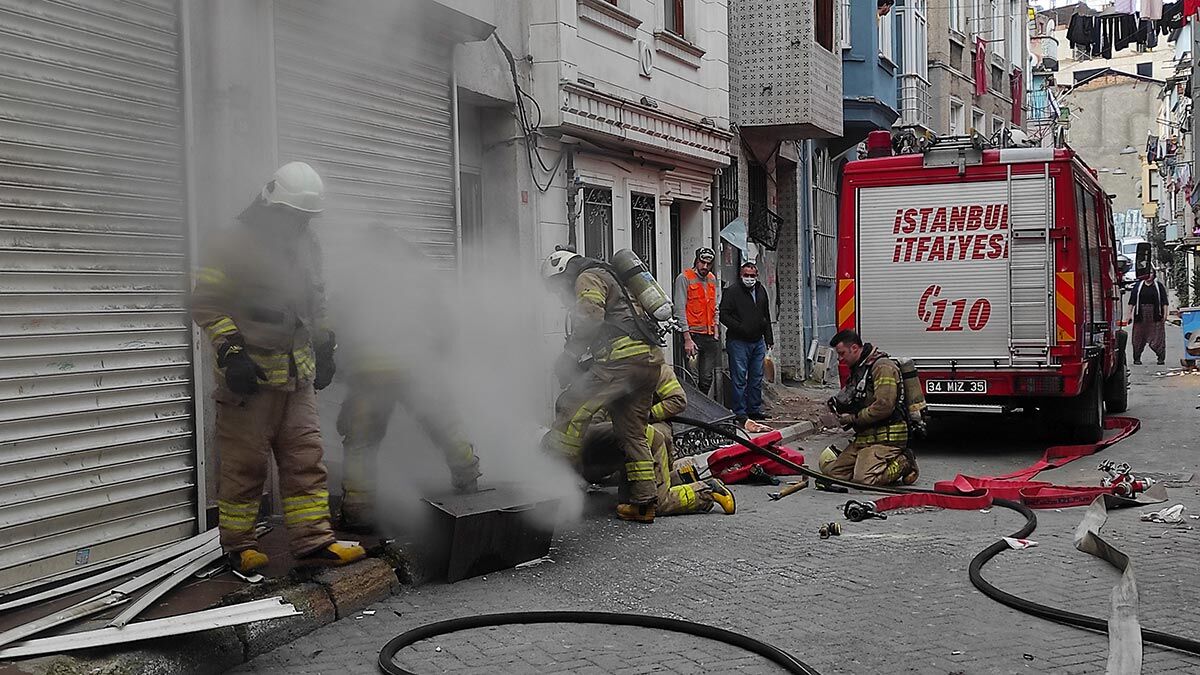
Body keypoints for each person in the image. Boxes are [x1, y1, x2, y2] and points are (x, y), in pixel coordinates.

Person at [191, 161, 365, 574]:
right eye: (294, 216)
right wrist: (231, 352)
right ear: (272, 206)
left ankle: (314, 540)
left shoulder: (307, 244)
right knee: (244, 466)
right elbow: (206, 303)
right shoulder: (229, 244)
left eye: (306, 218)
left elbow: (317, 300)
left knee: (306, 459)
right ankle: (239, 546)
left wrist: (326, 344)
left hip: (297, 376)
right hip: (249, 380)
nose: (300, 224)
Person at [331, 228, 481, 533]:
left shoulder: (353, 280)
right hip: (416, 366)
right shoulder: (419, 277)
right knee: (443, 424)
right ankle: (467, 477)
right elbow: (443, 324)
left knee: (361, 440)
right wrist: (436, 357)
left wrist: (341, 367)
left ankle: (358, 510)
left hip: (369, 372)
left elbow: (337, 325)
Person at [541, 248, 664, 523]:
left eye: (556, 287)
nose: (559, 295)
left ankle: (557, 486)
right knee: (632, 433)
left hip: (620, 363)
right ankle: (644, 504)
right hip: (649, 363)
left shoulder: (587, 277)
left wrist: (569, 355)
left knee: (571, 409)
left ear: (562, 272)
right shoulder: (613, 277)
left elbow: (591, 317)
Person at [577, 364, 736, 517]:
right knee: (625, 492)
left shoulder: (655, 367)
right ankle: (681, 478)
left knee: (649, 503)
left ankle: (707, 491)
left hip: (652, 431)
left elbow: (678, 400)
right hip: (626, 435)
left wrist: (645, 416)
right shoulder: (611, 369)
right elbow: (599, 410)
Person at [820, 330, 918, 487]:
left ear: (854, 348)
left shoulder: (882, 367)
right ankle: (867, 464)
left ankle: (904, 462)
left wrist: (851, 418)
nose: (840, 358)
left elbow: (884, 407)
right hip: (865, 437)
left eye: (842, 353)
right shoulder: (860, 369)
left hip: (886, 439)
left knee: (864, 480)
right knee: (834, 475)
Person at [719, 261, 773, 424]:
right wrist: (740, 327)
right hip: (738, 342)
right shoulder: (732, 292)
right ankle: (739, 411)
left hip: (758, 341)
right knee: (739, 378)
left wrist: (769, 338)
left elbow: (766, 315)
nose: (749, 278)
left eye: (752, 275)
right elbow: (723, 315)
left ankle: (754, 409)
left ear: (757, 276)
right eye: (746, 275)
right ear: (741, 275)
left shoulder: (761, 290)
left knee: (756, 377)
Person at [673, 247, 721, 396]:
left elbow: (715, 306)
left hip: (709, 336)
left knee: (706, 379)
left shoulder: (712, 278)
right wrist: (687, 338)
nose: (705, 267)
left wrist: (716, 330)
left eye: (709, 264)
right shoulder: (684, 278)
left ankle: (703, 406)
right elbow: (679, 309)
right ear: (696, 261)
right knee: (692, 378)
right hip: (693, 336)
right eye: (702, 262)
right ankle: (692, 407)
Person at [1128, 270, 1168, 365]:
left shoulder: (1158, 286)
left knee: (1158, 337)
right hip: (1141, 315)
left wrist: (1165, 314)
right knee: (1138, 337)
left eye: (1151, 273)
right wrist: (1129, 315)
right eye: (1148, 273)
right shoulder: (1138, 286)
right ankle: (1137, 357)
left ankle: (1160, 357)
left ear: (1154, 275)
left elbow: (1164, 302)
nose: (1149, 275)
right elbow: (1132, 301)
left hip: (1155, 315)